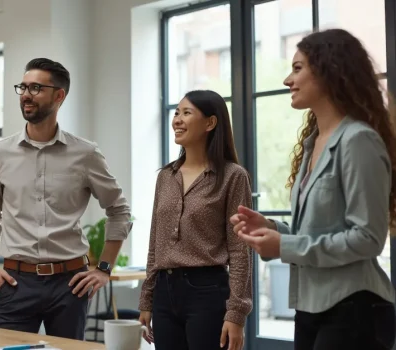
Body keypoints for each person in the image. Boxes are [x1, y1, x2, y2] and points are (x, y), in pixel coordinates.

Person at [232, 28, 396, 350]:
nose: (287, 80)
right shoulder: (313, 144)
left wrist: (285, 246)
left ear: (329, 71)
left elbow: (368, 238)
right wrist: (271, 229)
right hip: (310, 308)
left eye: (297, 68)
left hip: (354, 308)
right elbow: (320, 230)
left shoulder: (358, 140)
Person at [0, 57, 133, 340]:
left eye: (35, 88)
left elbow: (118, 210)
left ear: (59, 95)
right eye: (22, 87)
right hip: (16, 281)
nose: (25, 95)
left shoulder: (86, 154)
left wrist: (104, 268)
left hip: (70, 283)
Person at [137, 90, 252, 350]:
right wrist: (147, 299)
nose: (177, 119)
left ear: (210, 123)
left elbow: (239, 250)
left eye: (186, 113)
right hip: (165, 294)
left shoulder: (233, 176)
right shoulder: (165, 176)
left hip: (208, 292)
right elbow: (155, 243)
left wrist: (236, 314)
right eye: (176, 112)